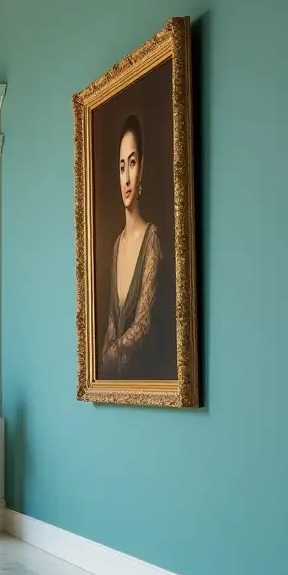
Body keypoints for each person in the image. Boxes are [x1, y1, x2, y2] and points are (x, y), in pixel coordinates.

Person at [100, 114, 164, 378]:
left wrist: (111, 354)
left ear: (142, 169)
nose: (126, 178)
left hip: (142, 376)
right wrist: (99, 372)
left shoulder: (152, 239)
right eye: (121, 167)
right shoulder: (116, 245)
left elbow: (143, 325)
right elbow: (112, 325)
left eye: (133, 163)